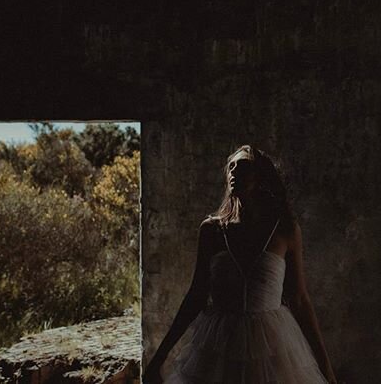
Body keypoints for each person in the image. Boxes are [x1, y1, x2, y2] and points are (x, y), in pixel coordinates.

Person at [143, 145, 337, 384]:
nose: (234, 172)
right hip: (220, 344)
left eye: (243, 166)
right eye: (231, 167)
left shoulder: (285, 229)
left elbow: (299, 299)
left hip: (272, 344)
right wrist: (159, 358)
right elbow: (196, 295)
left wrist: (326, 369)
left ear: (259, 176)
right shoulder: (212, 230)